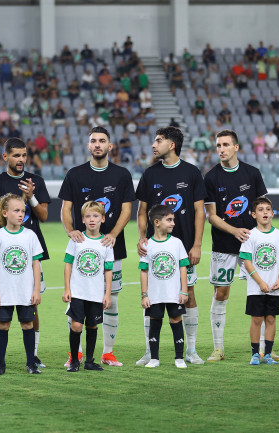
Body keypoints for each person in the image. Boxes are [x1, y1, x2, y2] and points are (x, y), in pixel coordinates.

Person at [58, 126, 135, 368]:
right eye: (94, 141)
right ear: (89, 146)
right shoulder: (75, 174)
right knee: (76, 297)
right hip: (83, 247)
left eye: (102, 141)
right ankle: (76, 353)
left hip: (111, 246)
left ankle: (107, 352)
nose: (98, 144)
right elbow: (65, 208)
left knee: (110, 299)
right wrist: (71, 231)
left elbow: (126, 209)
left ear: (110, 146)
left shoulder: (121, 174)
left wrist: (112, 234)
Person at [135, 127, 206, 366]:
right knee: (152, 298)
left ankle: (191, 350)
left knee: (188, 295)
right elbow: (142, 211)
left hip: (182, 247)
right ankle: (149, 351)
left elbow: (199, 211)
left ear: (172, 144)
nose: (154, 145)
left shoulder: (191, 172)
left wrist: (196, 245)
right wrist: (141, 238)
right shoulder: (150, 174)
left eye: (158, 141)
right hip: (154, 248)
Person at [0, 138, 50, 370]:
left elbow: (43, 216)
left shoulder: (37, 181)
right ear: (5, 157)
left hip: (32, 250)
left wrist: (31, 196)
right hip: (5, 252)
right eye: (16, 155)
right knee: (1, 303)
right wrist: (20, 202)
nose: (21, 159)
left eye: (24, 155)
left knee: (32, 304)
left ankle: (33, 355)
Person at [203, 130, 267, 362]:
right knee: (221, 293)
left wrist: (264, 235)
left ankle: (263, 348)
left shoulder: (252, 173)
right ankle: (218, 348)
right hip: (224, 244)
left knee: (261, 290)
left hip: (252, 243)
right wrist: (234, 231)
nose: (221, 149)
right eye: (218, 145)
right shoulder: (210, 177)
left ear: (236, 147)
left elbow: (263, 208)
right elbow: (211, 216)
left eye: (226, 145)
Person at [0, 194, 43, 375]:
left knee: (28, 325)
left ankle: (31, 363)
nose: (21, 214)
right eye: (16, 210)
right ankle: (0, 364)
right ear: (4, 213)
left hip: (26, 291)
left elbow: (35, 264)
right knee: (3, 325)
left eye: (23, 211)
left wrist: (36, 290)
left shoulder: (30, 235)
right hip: (5, 292)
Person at [62, 201, 113, 372]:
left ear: (103, 219)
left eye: (96, 216)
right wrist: (67, 289)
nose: (92, 219)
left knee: (92, 325)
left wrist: (107, 294)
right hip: (77, 292)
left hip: (96, 293)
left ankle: (89, 361)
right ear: (83, 219)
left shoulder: (106, 243)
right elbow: (68, 264)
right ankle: (75, 360)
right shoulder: (77, 239)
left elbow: (108, 270)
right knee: (76, 325)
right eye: (88, 216)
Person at [239, 198, 279, 366]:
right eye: (260, 209)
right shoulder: (250, 235)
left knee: (271, 319)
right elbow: (247, 262)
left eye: (268, 209)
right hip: (256, 288)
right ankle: (255, 354)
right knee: (256, 319)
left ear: (273, 213)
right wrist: (260, 282)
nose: (265, 212)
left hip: (274, 288)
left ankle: (267, 354)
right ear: (254, 214)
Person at [139, 205, 190, 369]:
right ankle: (154, 358)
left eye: (173, 219)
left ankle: (179, 358)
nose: (173, 223)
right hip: (155, 295)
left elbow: (183, 268)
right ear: (156, 222)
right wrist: (144, 295)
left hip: (174, 294)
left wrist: (184, 290)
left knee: (176, 320)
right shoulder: (147, 245)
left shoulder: (177, 243)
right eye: (169, 220)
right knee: (155, 322)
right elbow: (144, 271)